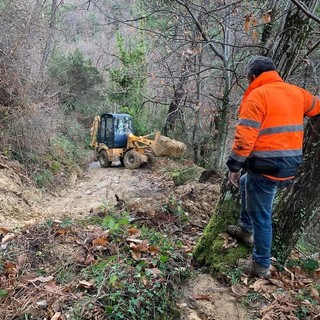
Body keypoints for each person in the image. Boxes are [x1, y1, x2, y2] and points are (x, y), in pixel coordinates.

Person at [226, 56, 320, 278]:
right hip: (289, 166)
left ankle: (260, 265)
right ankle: (245, 228)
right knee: (246, 182)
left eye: (249, 78)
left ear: (254, 76)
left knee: (262, 215)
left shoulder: (257, 96)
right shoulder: (298, 93)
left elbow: (244, 139)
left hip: (266, 167)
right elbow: (317, 106)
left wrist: (234, 166)